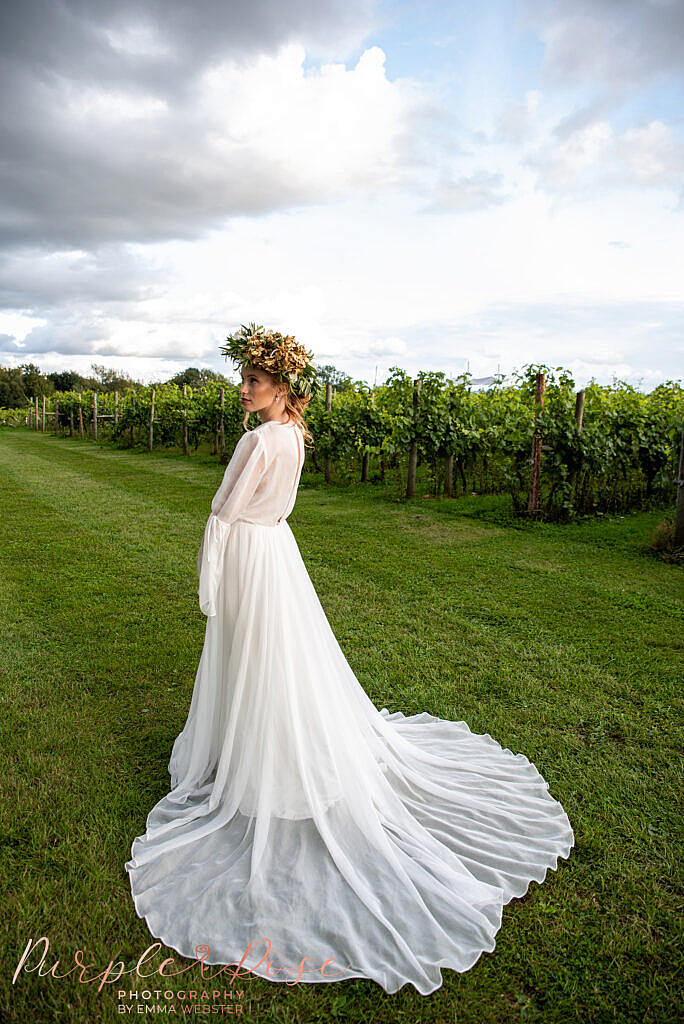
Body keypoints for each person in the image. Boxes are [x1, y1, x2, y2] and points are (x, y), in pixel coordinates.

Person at [125, 326, 574, 996]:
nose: (243, 389)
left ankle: (259, 770)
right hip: (277, 553)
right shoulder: (294, 438)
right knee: (276, 662)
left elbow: (223, 514)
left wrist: (209, 580)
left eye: (254, 381)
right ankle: (261, 756)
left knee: (258, 661)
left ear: (281, 387)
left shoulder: (257, 440)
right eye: (244, 378)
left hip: (252, 555)